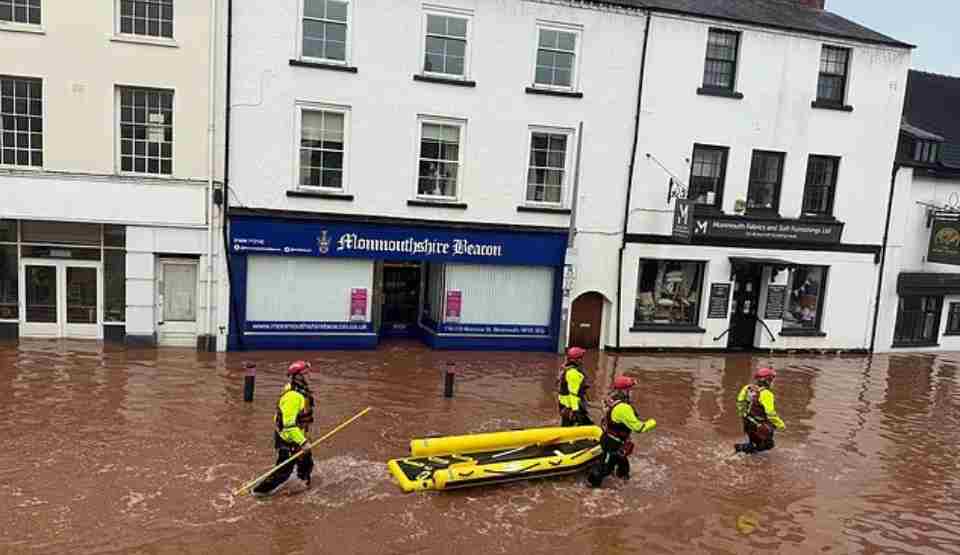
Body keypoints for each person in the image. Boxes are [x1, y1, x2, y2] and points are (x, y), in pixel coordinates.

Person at [252, 360, 316, 496]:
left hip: (296, 435)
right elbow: (288, 425)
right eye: (306, 372)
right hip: (288, 438)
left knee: (306, 462)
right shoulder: (293, 396)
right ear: (298, 376)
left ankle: (303, 484)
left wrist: (303, 438)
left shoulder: (298, 389)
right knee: (283, 471)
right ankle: (259, 492)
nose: (310, 375)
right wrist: (302, 442)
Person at [587, 376, 656, 488]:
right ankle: (590, 489)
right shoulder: (623, 408)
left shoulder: (611, 400)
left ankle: (623, 483)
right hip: (612, 443)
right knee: (604, 468)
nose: (632, 392)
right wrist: (652, 422)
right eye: (631, 388)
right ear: (625, 390)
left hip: (612, 439)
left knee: (623, 466)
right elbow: (639, 428)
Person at [734, 367, 786, 454]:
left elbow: (740, 402)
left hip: (747, 422)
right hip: (759, 425)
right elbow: (770, 413)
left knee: (754, 441)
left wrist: (743, 415)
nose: (772, 382)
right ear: (767, 381)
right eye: (772, 380)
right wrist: (781, 425)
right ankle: (740, 449)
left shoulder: (747, 388)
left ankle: (747, 454)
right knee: (768, 445)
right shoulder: (767, 394)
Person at [557, 346, 592, 427]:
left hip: (564, 404)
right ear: (577, 359)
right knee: (585, 425)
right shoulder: (573, 374)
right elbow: (573, 394)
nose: (582, 360)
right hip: (571, 406)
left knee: (566, 425)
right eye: (581, 357)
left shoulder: (567, 368)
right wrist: (575, 410)